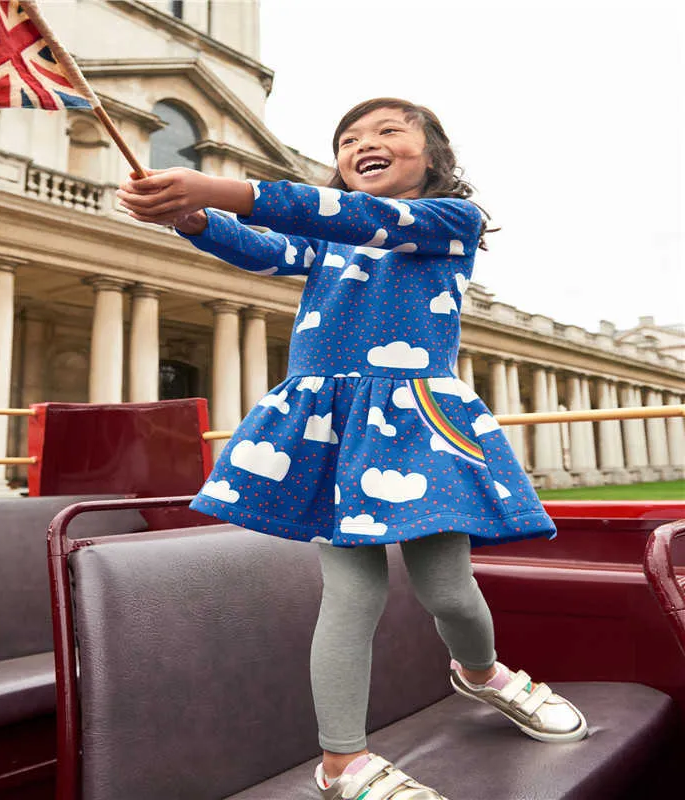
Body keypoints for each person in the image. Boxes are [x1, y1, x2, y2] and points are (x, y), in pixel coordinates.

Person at [117, 97, 588, 800]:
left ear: (433, 158)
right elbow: (269, 247)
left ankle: (482, 673)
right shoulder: (329, 238)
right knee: (351, 594)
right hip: (331, 427)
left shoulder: (447, 221)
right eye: (347, 139)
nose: (361, 143)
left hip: (415, 424)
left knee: (449, 592)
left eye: (387, 131)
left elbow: (360, 219)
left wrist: (223, 188)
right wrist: (193, 219)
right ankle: (343, 763)